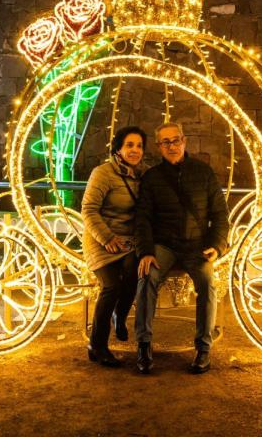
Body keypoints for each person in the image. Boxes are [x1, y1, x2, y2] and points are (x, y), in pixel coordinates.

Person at [133, 122, 229, 374]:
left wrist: (217, 246)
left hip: (196, 245)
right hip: (164, 245)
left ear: (184, 141)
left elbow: (220, 214)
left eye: (175, 140)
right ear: (159, 146)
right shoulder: (152, 178)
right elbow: (142, 218)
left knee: (208, 283)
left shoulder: (203, 173)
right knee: (147, 276)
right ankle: (143, 345)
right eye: (166, 142)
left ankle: (203, 348)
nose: (172, 146)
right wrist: (145, 252)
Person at [81, 125, 147, 367]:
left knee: (134, 272)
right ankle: (97, 345)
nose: (135, 150)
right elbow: (88, 210)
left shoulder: (143, 175)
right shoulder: (103, 173)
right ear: (118, 148)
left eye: (139, 146)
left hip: (128, 241)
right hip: (101, 240)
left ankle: (120, 316)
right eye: (129, 145)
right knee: (111, 286)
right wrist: (107, 238)